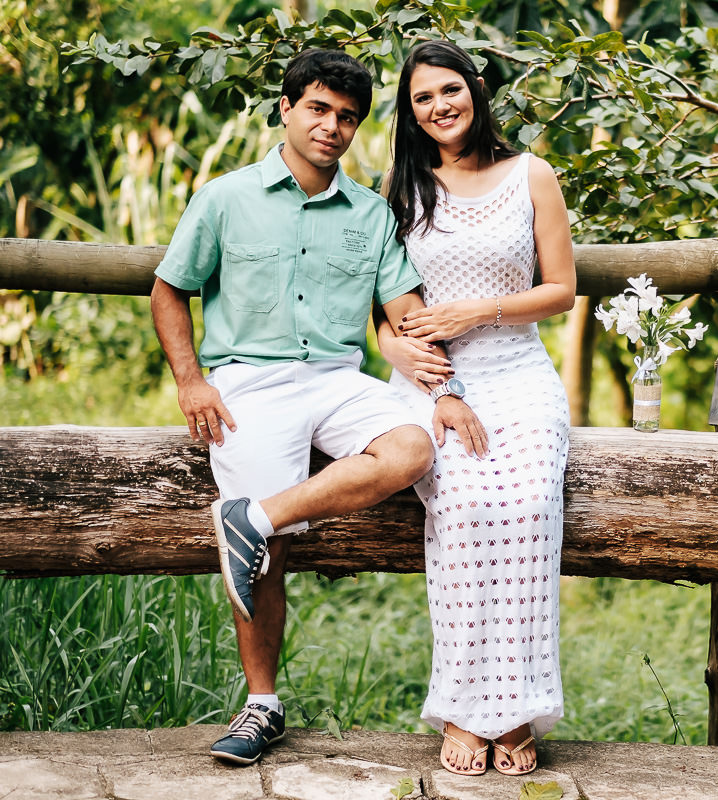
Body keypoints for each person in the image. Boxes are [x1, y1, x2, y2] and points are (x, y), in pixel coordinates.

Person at [150, 48, 483, 767]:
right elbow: (170, 289)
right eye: (319, 109)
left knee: (413, 446)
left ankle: (255, 517)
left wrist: (446, 391)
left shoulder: (371, 215)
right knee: (264, 563)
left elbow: (406, 313)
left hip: (338, 379)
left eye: (348, 118)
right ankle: (261, 705)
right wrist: (191, 380)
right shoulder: (225, 196)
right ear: (287, 109)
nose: (332, 127)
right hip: (247, 383)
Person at [377, 40, 576, 777]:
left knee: (527, 506)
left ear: (476, 90)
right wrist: (399, 352)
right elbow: (383, 305)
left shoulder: (531, 175)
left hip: (518, 371)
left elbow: (560, 290)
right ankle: (463, 708)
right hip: (433, 377)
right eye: (423, 98)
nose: (440, 106)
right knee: (460, 508)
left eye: (450, 90)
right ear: (411, 111)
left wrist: (480, 313)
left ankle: (518, 709)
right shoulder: (401, 186)